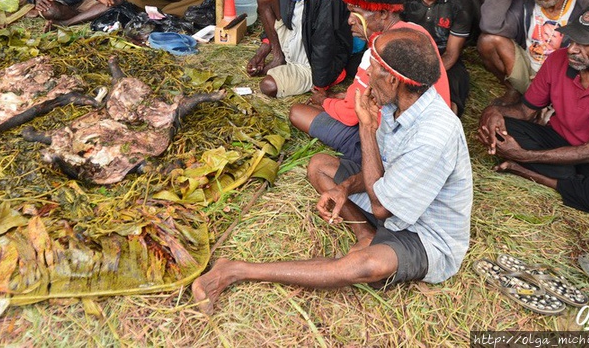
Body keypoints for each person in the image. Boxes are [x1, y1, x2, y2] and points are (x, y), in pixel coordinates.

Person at [193, 28, 472, 315]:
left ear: (393, 79)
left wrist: (366, 126)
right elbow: (384, 170)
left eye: (372, 68)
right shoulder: (396, 105)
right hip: (391, 198)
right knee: (320, 166)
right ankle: (365, 235)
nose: (365, 75)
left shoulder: (433, 135)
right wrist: (345, 188)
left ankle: (235, 271)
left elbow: (382, 206)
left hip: (424, 235)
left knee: (366, 266)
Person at [478, 4, 589, 221]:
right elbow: (525, 112)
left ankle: (539, 175)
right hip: (559, 138)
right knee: (500, 130)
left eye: (585, 44)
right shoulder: (558, 59)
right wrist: (493, 112)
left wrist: (523, 156)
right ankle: (574, 182)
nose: (572, 48)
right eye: (572, 39)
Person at [289, 0, 450, 163]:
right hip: (433, 134)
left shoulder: (378, 51)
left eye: (356, 13)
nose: (350, 20)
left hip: (395, 146)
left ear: (382, 13)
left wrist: (324, 101)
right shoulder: (418, 32)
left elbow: (350, 114)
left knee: (297, 112)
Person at [478, 0, 589, 105]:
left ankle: (537, 100)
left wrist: (549, 80)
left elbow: (587, 61)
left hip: (560, 79)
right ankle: (517, 90)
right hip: (525, 68)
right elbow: (490, 24)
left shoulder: (585, 10)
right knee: (487, 40)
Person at [245, 0, 351, 98]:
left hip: (312, 62)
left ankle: (300, 70)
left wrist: (321, 86)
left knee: (268, 86)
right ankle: (279, 57)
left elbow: (324, 44)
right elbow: (278, 20)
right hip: (299, 39)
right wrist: (262, 52)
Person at [402, 0, 474, 116]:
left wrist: (425, 78)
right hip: (404, 57)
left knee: (451, 95)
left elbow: (451, 53)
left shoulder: (461, 3)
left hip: (443, 61)